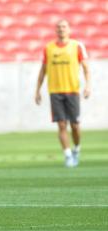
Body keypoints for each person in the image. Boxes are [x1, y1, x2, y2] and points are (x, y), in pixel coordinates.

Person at [35, 19, 90, 168]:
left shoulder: (77, 46)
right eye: (58, 27)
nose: (61, 29)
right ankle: (67, 155)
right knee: (61, 125)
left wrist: (88, 86)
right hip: (55, 91)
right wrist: (37, 90)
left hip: (72, 91)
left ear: (69, 29)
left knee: (75, 125)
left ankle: (76, 149)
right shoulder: (49, 48)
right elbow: (43, 70)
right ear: (55, 30)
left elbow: (86, 68)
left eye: (64, 26)